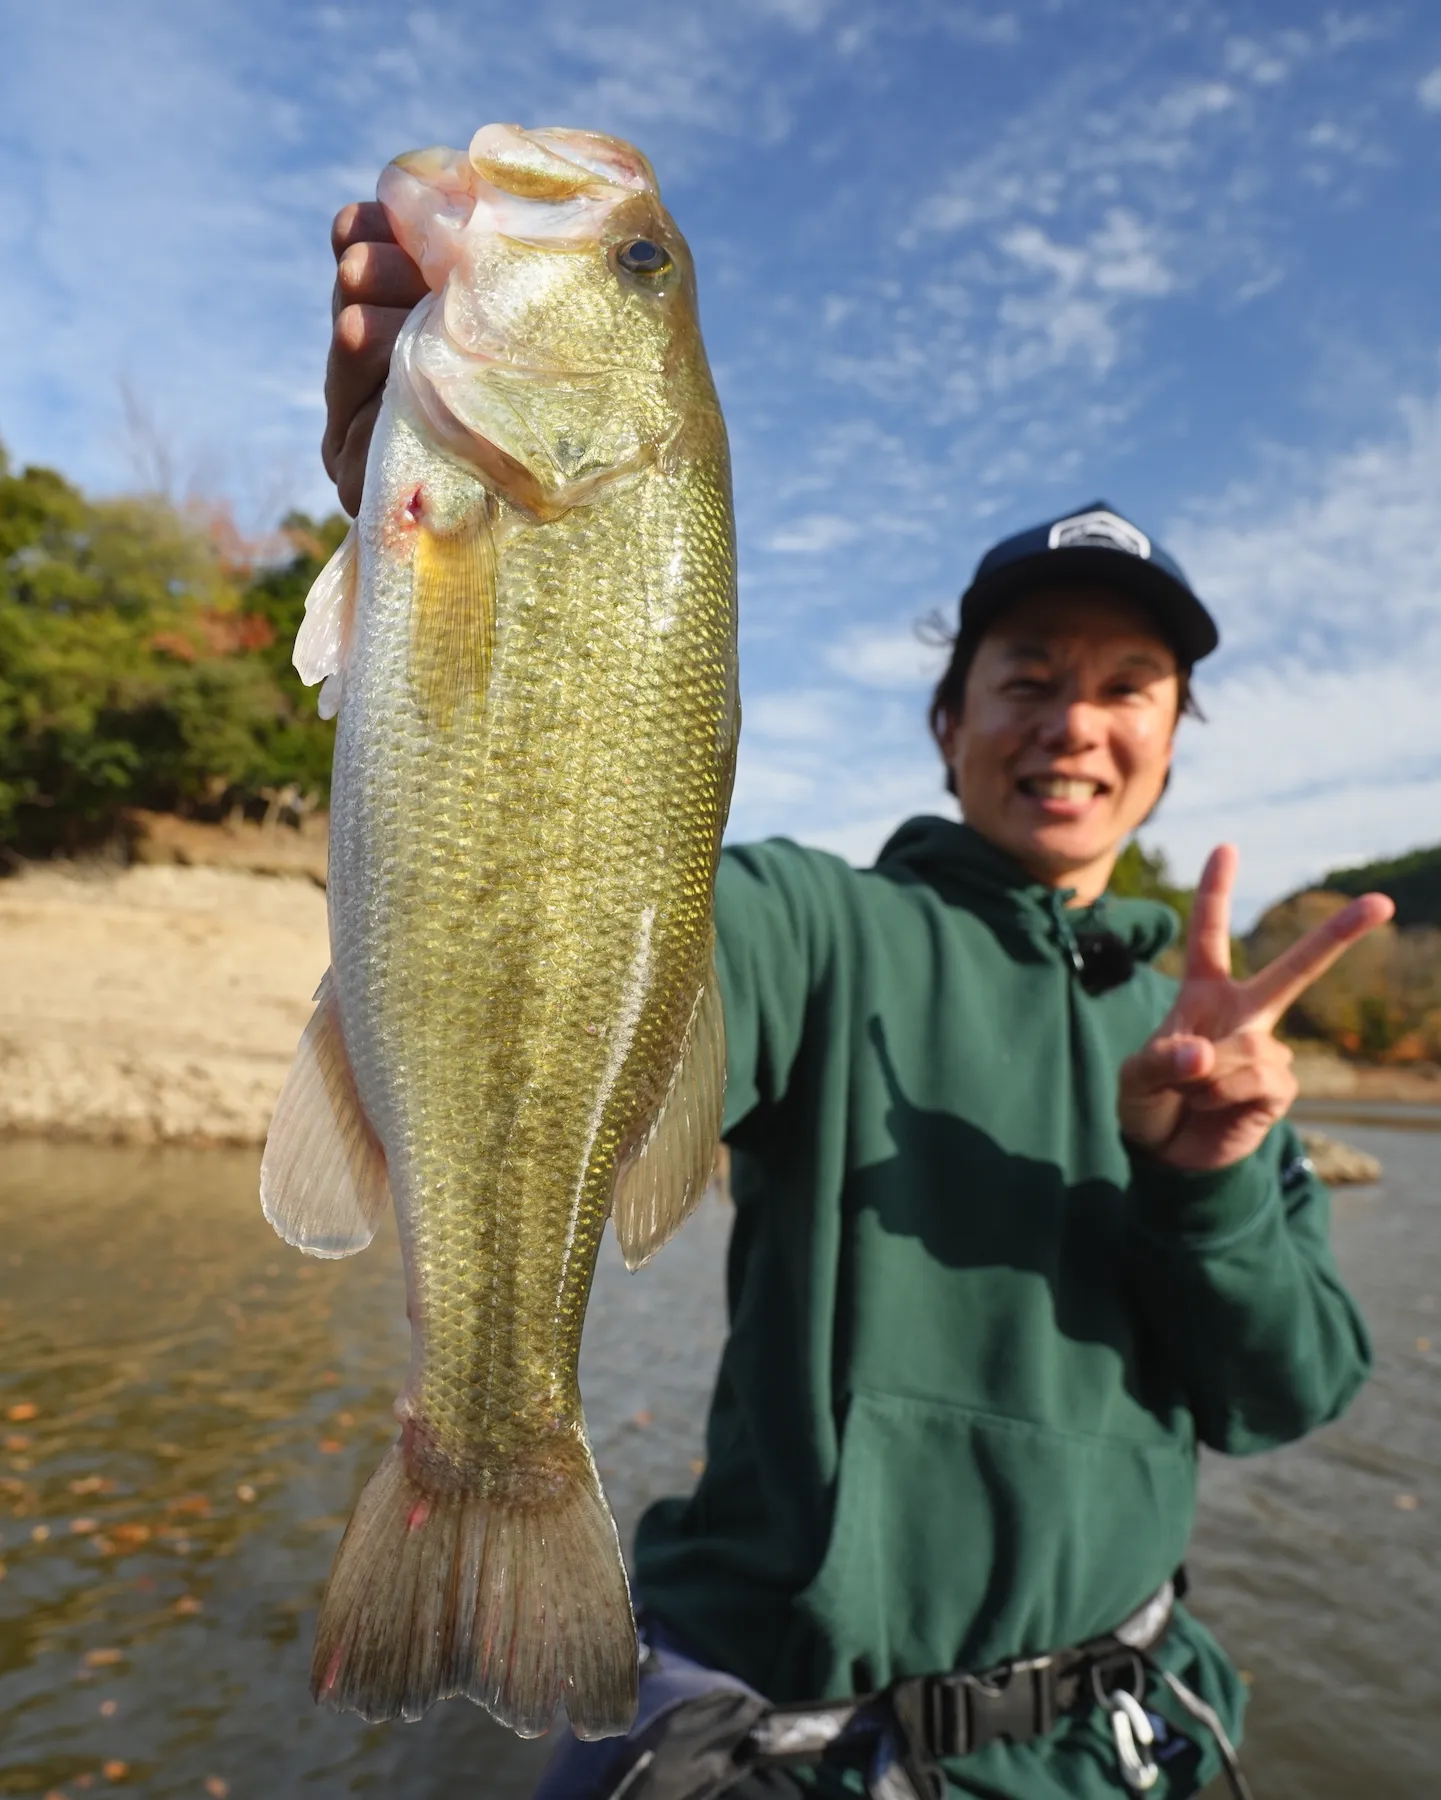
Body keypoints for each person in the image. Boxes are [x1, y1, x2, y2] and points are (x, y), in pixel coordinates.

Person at [321, 204, 1393, 1800]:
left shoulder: (1209, 1026)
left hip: (1101, 1750)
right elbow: (575, 930)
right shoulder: (811, 926)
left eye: (1126, 690)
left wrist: (1212, 1177)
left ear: (1173, 739)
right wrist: (445, 585)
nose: (1073, 726)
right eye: (1028, 674)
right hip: (779, 1736)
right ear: (950, 713)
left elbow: (1287, 1392)